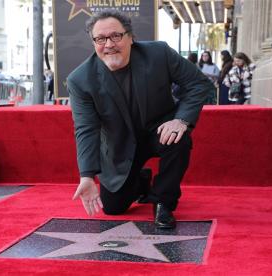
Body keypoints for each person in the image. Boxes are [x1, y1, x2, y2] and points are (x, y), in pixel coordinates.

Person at [67, 10, 214, 229]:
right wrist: (87, 176)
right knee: (113, 207)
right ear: (94, 42)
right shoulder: (80, 80)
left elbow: (198, 84)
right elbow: (86, 129)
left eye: (116, 36)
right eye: (100, 39)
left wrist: (181, 120)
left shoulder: (159, 54)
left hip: (160, 130)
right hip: (120, 144)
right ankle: (141, 181)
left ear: (130, 36)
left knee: (179, 139)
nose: (108, 44)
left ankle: (163, 202)